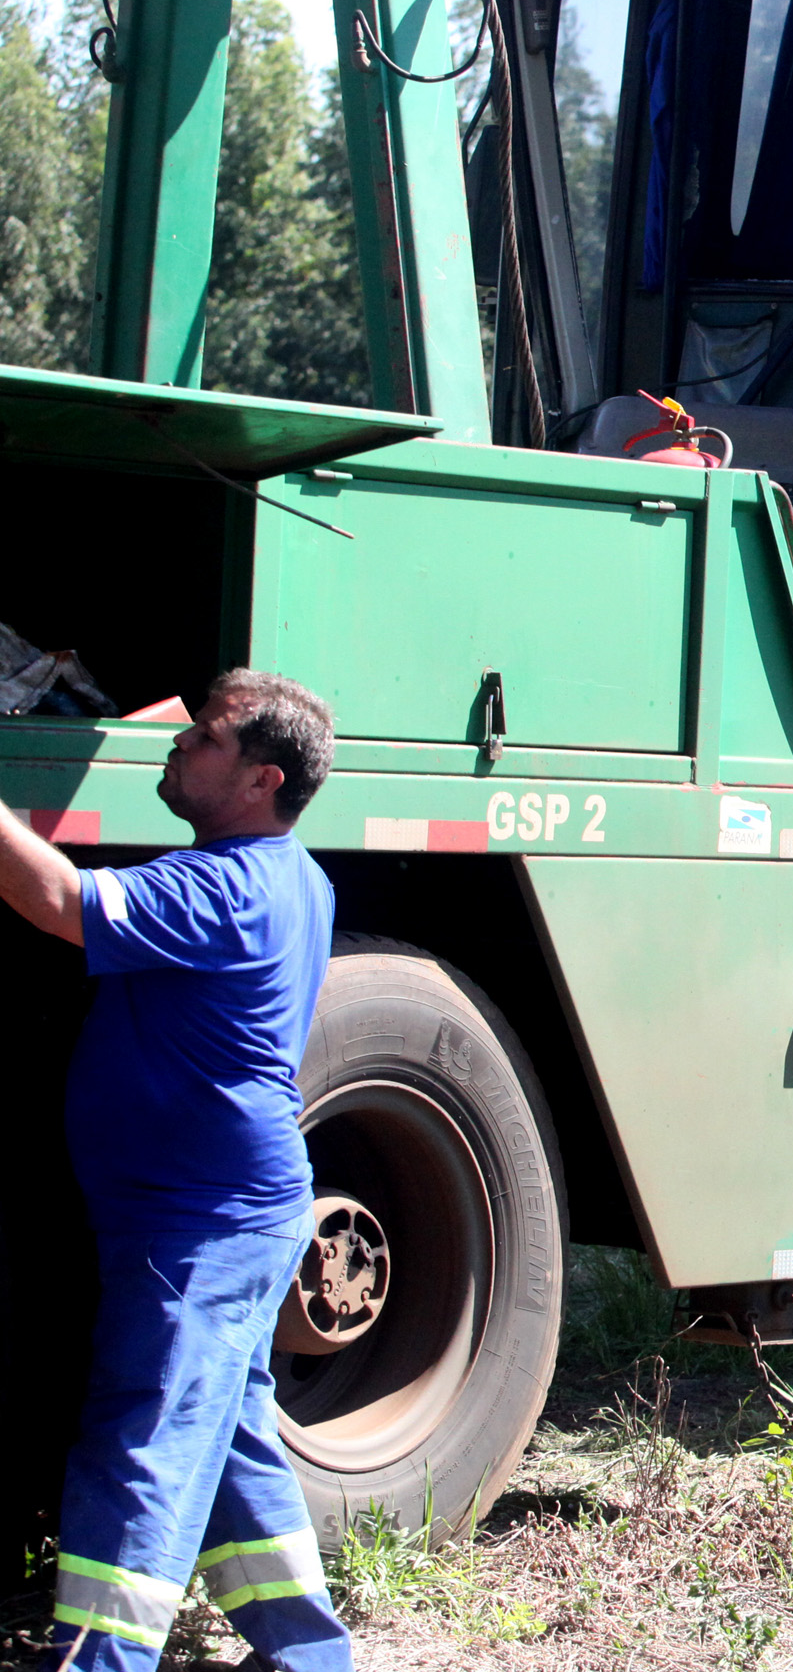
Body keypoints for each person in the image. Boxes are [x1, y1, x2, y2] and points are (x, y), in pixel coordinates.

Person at [0, 672, 351, 1672]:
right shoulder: (295, 876)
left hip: (199, 1226)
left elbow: (62, 899)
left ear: (260, 778)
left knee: (142, 1446)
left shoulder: (222, 889)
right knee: (232, 1450)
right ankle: (309, 1655)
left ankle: (102, 1661)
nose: (178, 747)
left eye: (204, 739)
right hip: (223, 1213)